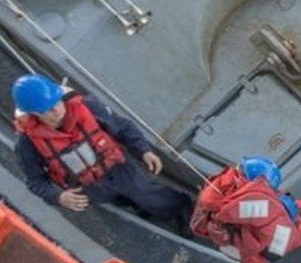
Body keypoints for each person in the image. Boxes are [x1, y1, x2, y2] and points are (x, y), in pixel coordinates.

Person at [11, 74, 192, 235]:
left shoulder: (89, 107)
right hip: (88, 188)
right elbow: (34, 180)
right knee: (126, 201)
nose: (56, 111)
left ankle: (182, 208)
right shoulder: (27, 143)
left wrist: (143, 150)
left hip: (119, 169)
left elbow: (123, 127)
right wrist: (57, 196)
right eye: (46, 110)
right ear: (33, 114)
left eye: (56, 102)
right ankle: (144, 209)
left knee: (148, 194)